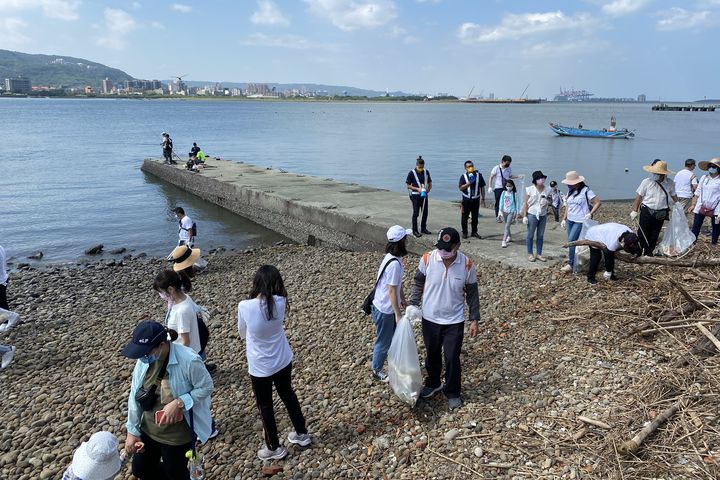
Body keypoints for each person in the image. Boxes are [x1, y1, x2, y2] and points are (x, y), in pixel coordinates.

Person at [123, 321, 214, 480]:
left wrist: (180, 402)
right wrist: (132, 430)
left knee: (177, 474)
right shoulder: (144, 360)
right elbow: (134, 395)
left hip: (177, 436)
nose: (143, 357)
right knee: (140, 470)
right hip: (148, 429)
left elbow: (206, 386)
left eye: (146, 352)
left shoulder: (189, 360)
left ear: (162, 345)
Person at [238, 265, 311, 460]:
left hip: (260, 365)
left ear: (257, 283)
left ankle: (273, 447)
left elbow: (242, 333)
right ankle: (302, 433)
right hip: (283, 358)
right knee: (288, 394)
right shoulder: (281, 301)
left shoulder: (245, 306)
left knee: (265, 406)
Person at [409, 227, 480, 410]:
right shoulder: (427, 259)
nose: (443, 253)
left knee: (451, 358)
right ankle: (433, 383)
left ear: (457, 246)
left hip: (454, 321)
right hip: (430, 318)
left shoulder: (467, 265)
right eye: (441, 248)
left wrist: (474, 319)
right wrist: (413, 304)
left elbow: (472, 293)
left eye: (448, 249)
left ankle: (453, 391)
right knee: (432, 354)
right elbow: (418, 282)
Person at [370, 225, 410, 382]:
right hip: (386, 310)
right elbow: (392, 290)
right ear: (401, 242)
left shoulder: (392, 257)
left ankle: (396, 364)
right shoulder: (394, 264)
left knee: (392, 338)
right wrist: (397, 314)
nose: (408, 241)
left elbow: (397, 286)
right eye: (406, 239)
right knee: (384, 340)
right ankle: (376, 369)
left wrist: (403, 299)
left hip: (383, 305)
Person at [630, 160, 678, 256]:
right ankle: (639, 251)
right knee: (642, 232)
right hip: (647, 210)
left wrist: (678, 205)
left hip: (661, 212)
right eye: (654, 172)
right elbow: (639, 197)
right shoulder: (646, 182)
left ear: (663, 174)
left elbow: (673, 195)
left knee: (654, 233)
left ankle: (649, 252)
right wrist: (634, 210)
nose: (655, 174)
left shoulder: (670, 183)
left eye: (658, 173)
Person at [560, 171, 602, 273]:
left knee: (572, 240)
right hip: (570, 219)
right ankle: (574, 260)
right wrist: (564, 219)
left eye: (570, 183)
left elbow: (598, 202)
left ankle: (571, 264)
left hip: (580, 220)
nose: (568, 185)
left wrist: (590, 213)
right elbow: (568, 207)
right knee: (572, 242)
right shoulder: (570, 192)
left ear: (577, 182)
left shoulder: (586, 191)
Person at [688, 157, 720, 246]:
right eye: (710, 166)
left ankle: (713, 244)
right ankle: (692, 243)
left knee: (716, 227)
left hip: (716, 208)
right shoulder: (704, 178)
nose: (712, 168)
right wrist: (693, 204)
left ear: (718, 168)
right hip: (701, 205)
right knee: (696, 225)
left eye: (714, 166)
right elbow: (697, 192)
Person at [521, 170, 549, 262]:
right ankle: (530, 254)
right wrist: (525, 216)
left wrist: (547, 202)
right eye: (539, 178)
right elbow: (525, 203)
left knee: (540, 235)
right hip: (532, 214)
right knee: (530, 234)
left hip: (543, 215)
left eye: (542, 178)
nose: (542, 180)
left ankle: (539, 254)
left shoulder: (548, 189)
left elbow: (551, 201)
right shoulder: (529, 189)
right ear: (535, 180)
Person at [488, 155, 522, 220]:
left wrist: (518, 176)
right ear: (502, 161)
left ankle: (507, 217)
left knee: (507, 202)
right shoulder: (496, 168)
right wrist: (489, 186)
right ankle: (498, 217)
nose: (508, 164)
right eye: (507, 163)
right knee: (498, 202)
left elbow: (510, 176)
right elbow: (491, 177)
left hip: (507, 188)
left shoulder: (509, 168)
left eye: (509, 163)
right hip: (498, 188)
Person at [458, 161, 486, 239]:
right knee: (464, 217)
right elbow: (460, 188)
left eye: (471, 166)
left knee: (475, 217)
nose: (470, 167)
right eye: (468, 166)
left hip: (476, 200)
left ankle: (474, 232)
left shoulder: (479, 175)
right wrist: (469, 183)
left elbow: (482, 187)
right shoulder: (463, 176)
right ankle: (465, 232)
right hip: (466, 200)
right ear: (465, 168)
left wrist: (483, 198)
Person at [406, 156, 432, 237]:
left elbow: (430, 183)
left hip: (424, 195)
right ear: (416, 165)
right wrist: (418, 189)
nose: (421, 168)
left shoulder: (426, 172)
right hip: (415, 196)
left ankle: (423, 228)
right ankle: (415, 230)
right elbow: (408, 186)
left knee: (425, 212)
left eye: (422, 167)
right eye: (419, 167)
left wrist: (428, 189)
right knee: (416, 213)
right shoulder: (411, 173)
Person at [497, 180, 519, 248]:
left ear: (512, 186)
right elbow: (501, 202)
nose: (508, 187)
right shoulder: (503, 193)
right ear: (505, 186)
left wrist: (517, 212)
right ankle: (509, 237)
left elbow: (517, 203)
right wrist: (500, 211)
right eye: (507, 186)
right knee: (507, 225)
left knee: (507, 226)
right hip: (504, 211)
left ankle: (503, 241)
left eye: (510, 186)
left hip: (511, 211)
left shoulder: (514, 194)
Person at [0, 244, 8, 311]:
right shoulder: (1, 247)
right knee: (3, 304)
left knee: (2, 306)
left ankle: (6, 321)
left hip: (1, 281)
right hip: (3, 278)